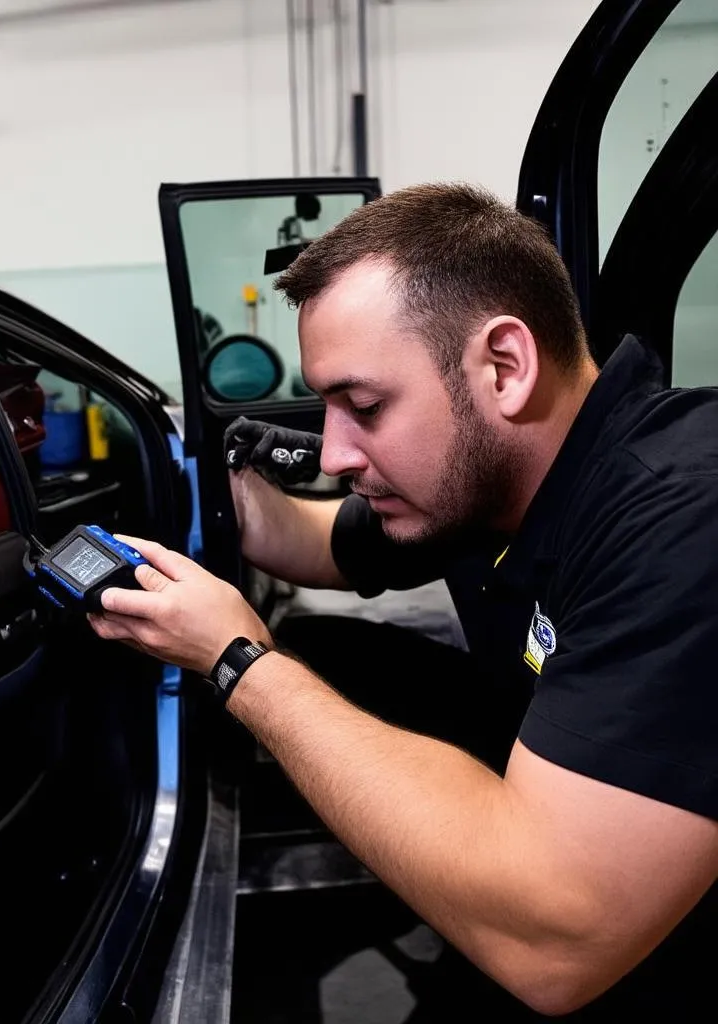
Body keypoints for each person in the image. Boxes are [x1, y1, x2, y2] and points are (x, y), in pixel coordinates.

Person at [88, 183, 718, 1019]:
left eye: (365, 406)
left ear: (504, 367)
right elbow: (320, 545)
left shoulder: (685, 516)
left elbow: (557, 946)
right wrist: (217, 490)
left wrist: (239, 662)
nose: (338, 451)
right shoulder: (491, 478)